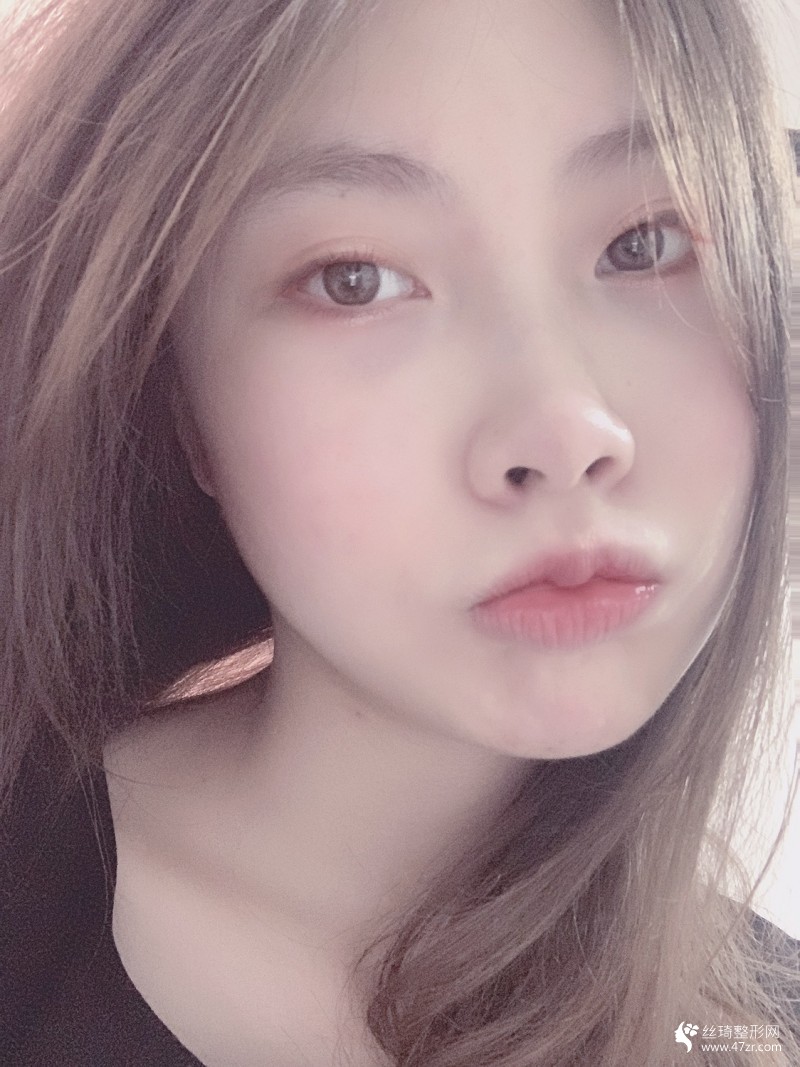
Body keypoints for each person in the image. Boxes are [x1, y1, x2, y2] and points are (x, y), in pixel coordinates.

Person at [0, 0, 798, 1064]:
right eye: (354, 280)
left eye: (642, 245)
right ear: (183, 410)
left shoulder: (761, 1017)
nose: (567, 429)